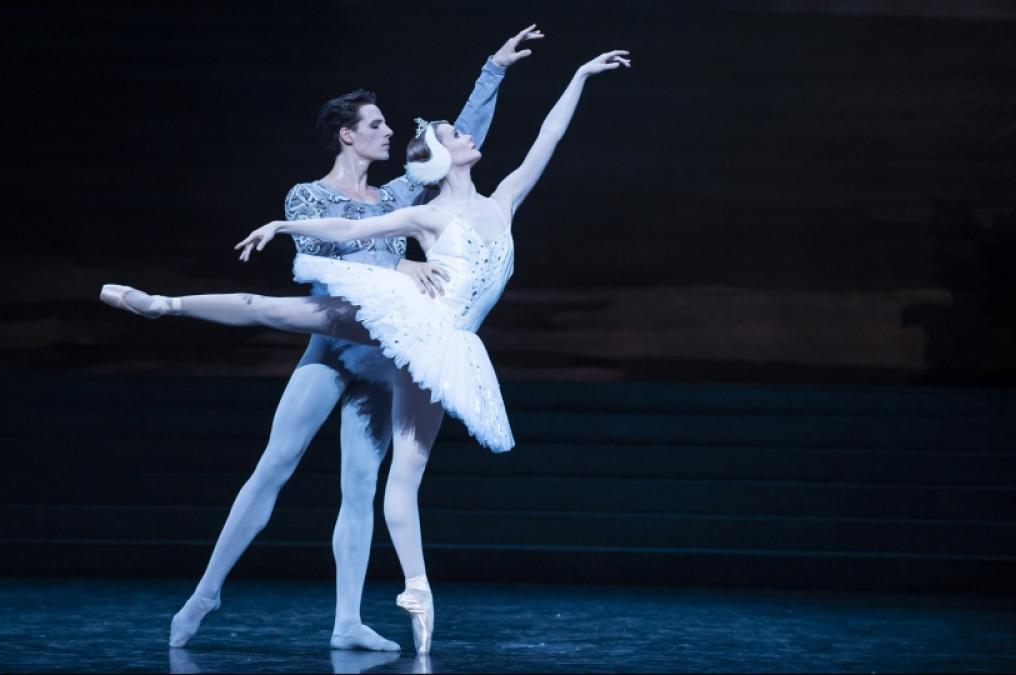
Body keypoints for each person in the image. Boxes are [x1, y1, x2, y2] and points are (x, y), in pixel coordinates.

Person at [104, 49, 629, 653]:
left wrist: (493, 72)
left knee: (361, 484)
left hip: (393, 351)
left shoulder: (400, 196)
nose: (387, 132)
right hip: (334, 343)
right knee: (275, 465)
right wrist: (402, 262)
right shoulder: (308, 196)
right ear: (346, 134)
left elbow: (458, 147)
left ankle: (347, 620)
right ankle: (206, 591)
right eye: (376, 125)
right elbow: (328, 261)